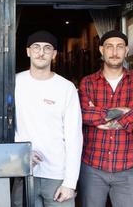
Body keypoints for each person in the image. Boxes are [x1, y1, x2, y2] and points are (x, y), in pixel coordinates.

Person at [78, 30, 133, 207]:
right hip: (93, 166)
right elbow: (84, 114)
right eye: (109, 47)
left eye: (120, 47)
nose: (114, 52)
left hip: (128, 166)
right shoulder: (88, 82)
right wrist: (123, 111)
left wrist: (104, 118)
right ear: (101, 50)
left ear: (126, 51)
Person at [12, 30, 83, 207]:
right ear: (28, 51)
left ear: (54, 54)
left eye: (47, 48)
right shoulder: (14, 83)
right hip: (24, 171)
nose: (41, 52)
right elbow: (3, 125)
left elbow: (74, 137)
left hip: (58, 176)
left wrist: (70, 183)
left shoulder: (66, 88)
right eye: (36, 47)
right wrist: (20, 150)